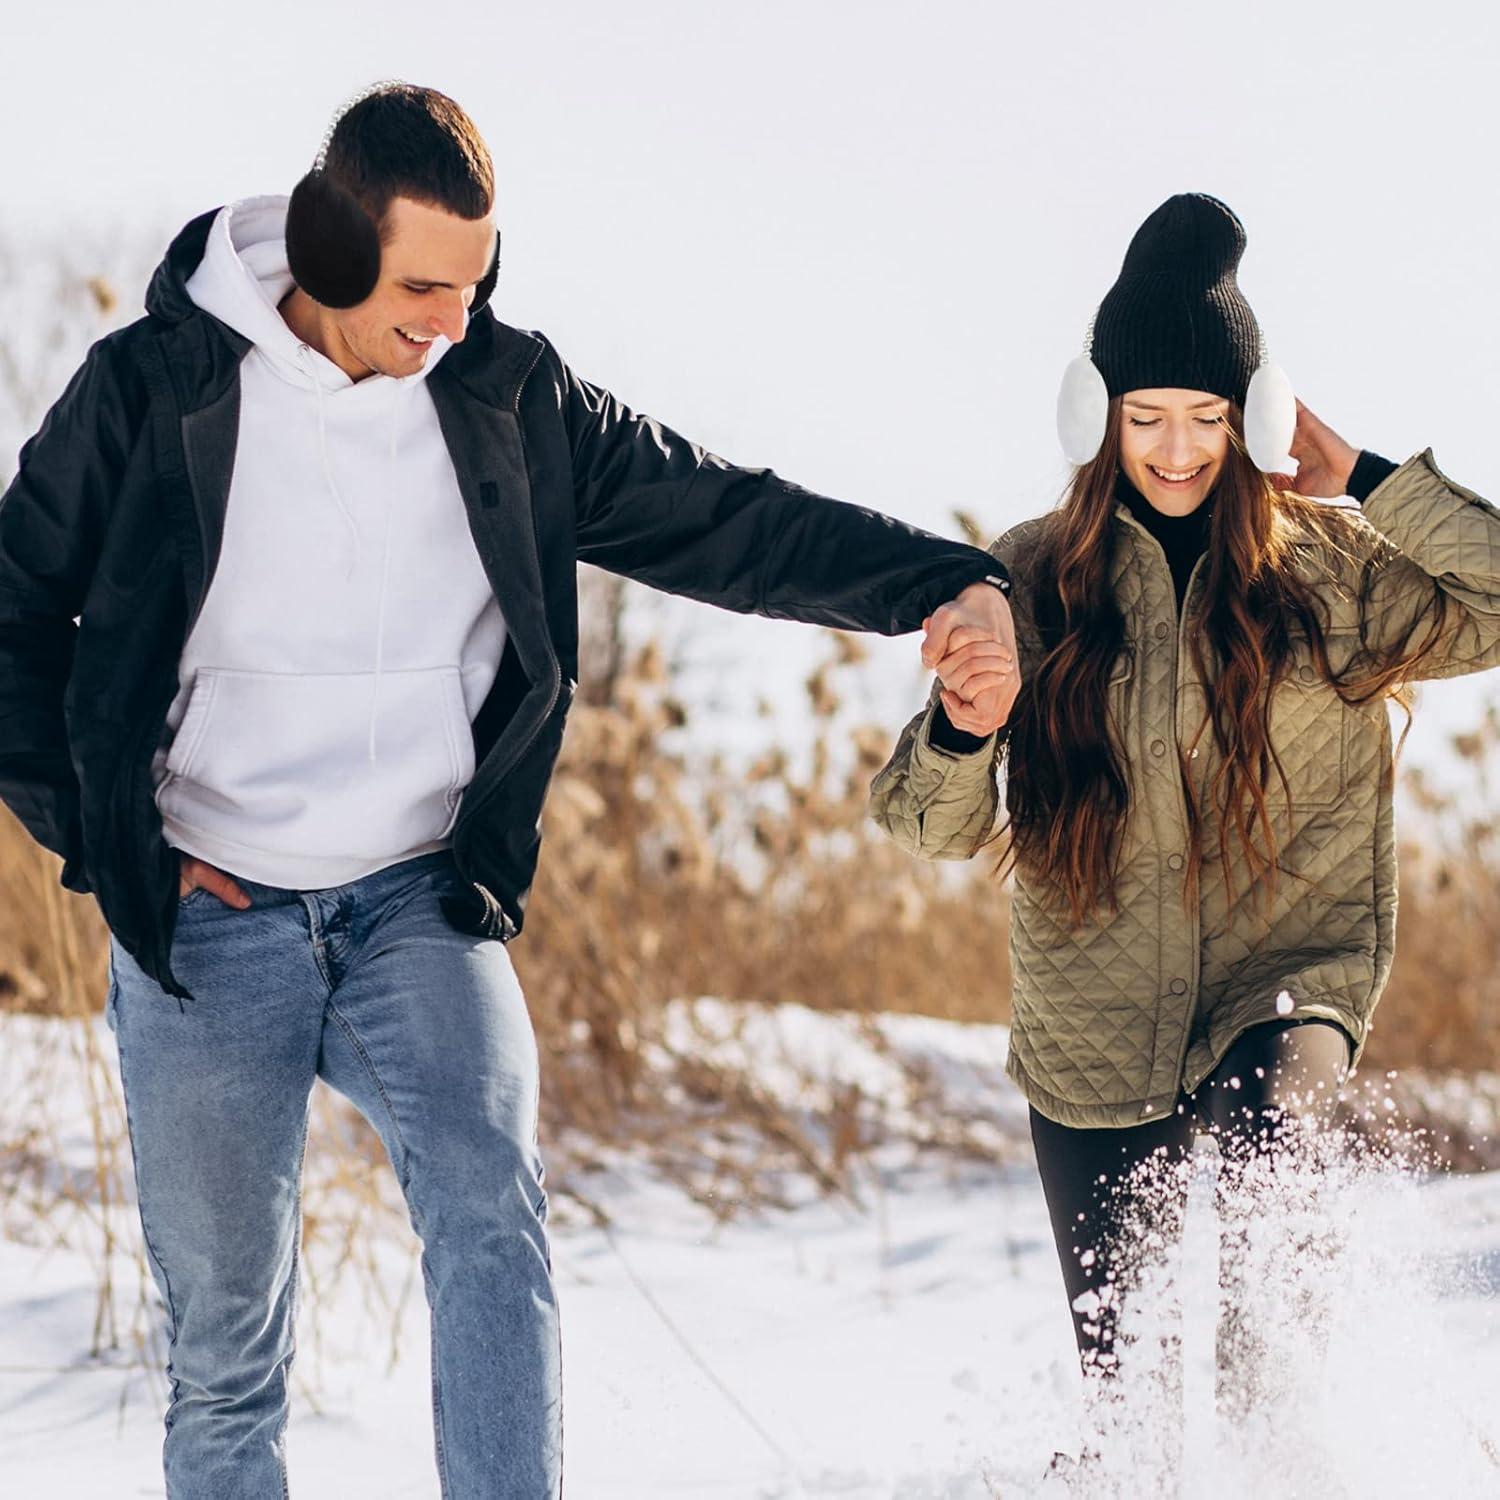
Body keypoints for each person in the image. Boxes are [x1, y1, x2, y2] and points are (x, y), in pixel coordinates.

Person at [0, 82, 1016, 1499]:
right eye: (422, 288)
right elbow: (12, 610)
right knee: (228, 1346)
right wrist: (111, 848)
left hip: (417, 897)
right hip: (211, 913)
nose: (450, 321)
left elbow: (726, 516)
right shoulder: (151, 388)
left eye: (473, 284)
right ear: (330, 252)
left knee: (491, 1211)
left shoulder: (505, 400)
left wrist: (947, 583)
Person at [869, 192, 1500, 1468]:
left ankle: (1301, 1469)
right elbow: (925, 826)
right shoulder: (1030, 574)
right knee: (1134, 1411)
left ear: (1251, 418)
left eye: (1208, 419)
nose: (1174, 449)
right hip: (1095, 1029)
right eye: (1146, 417)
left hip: (1286, 978)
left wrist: (1369, 480)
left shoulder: (1328, 570)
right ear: (1095, 415)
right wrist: (965, 725)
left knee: (1269, 1229)